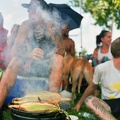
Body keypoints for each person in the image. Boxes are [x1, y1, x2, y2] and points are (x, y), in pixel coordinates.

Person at [0, 0, 65, 108]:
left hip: (46, 65)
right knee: (14, 61)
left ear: (43, 12)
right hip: (27, 64)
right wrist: (28, 54)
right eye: (29, 11)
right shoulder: (25, 25)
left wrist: (52, 34)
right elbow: (14, 50)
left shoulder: (52, 25)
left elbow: (62, 52)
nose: (30, 14)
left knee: (58, 59)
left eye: (33, 11)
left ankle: (51, 106)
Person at [74, 37, 120, 119]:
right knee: (90, 100)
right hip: (108, 106)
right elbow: (92, 87)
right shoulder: (102, 68)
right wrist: (79, 103)